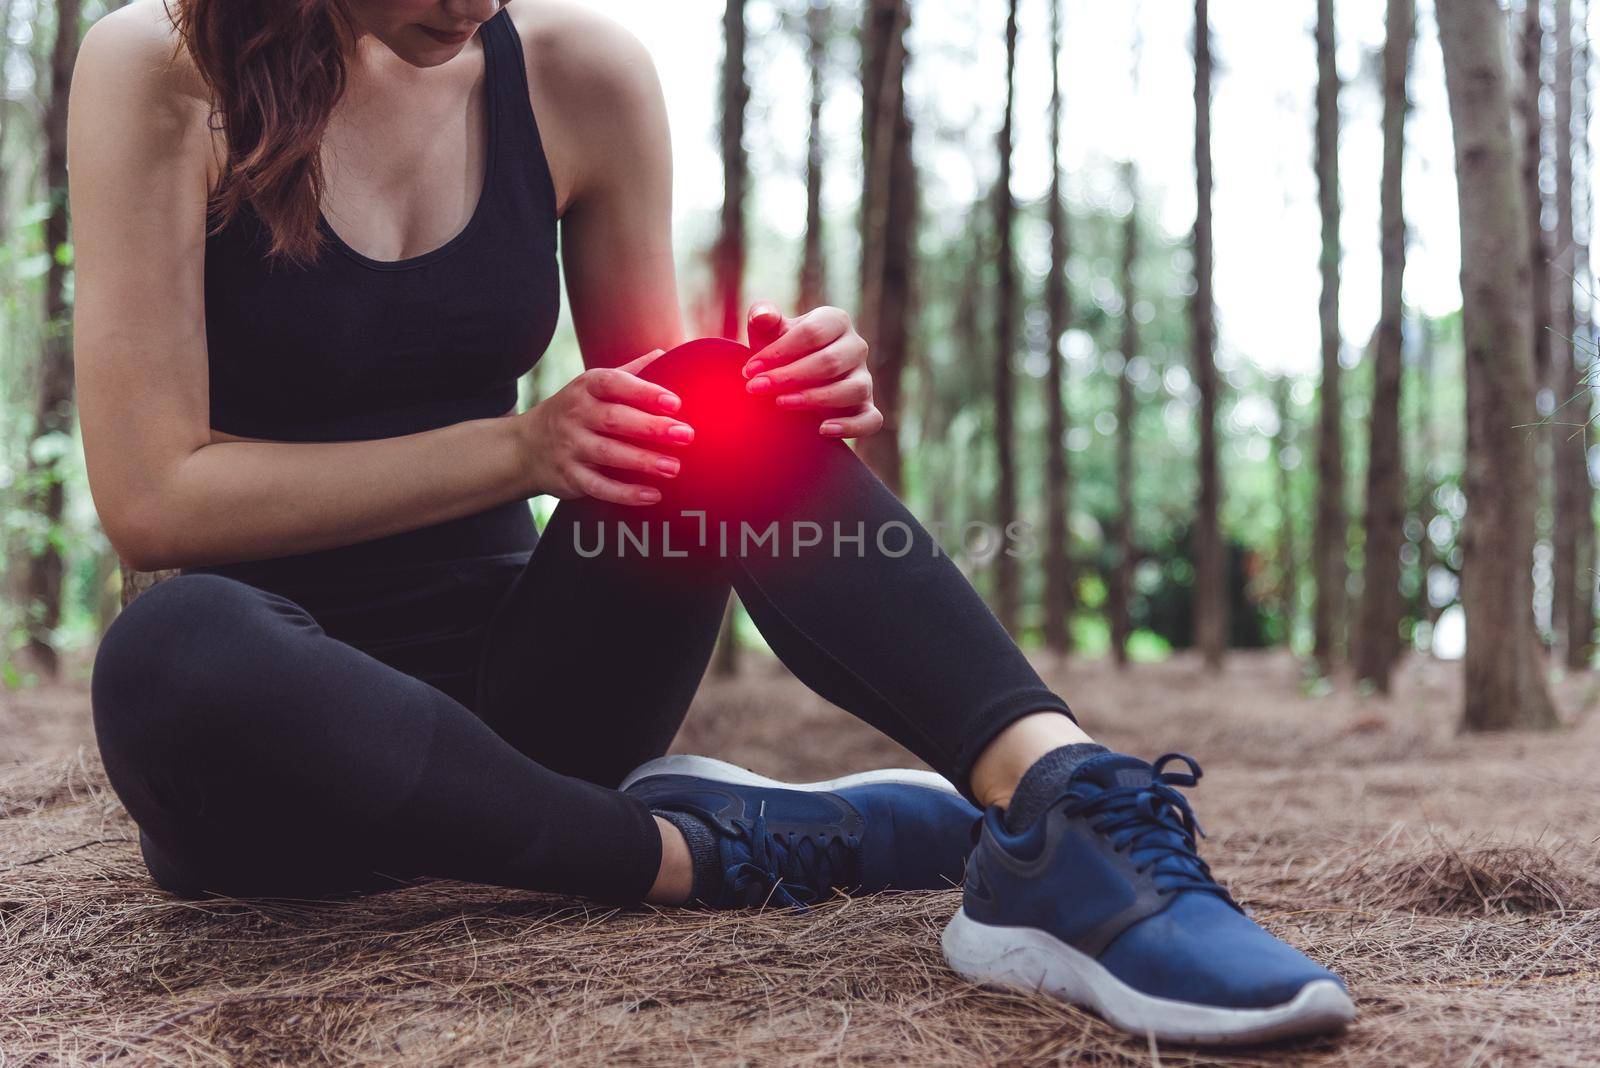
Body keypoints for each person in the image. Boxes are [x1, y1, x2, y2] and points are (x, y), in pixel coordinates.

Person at [69, 0, 1355, 1045]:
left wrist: (779, 400)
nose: (469, 4)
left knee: (709, 401)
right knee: (173, 643)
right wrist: (517, 448)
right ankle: (694, 853)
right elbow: (153, 497)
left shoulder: (580, 77)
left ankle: (1068, 808)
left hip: (536, 701)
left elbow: (666, 440)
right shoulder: (163, 68)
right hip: (272, 755)